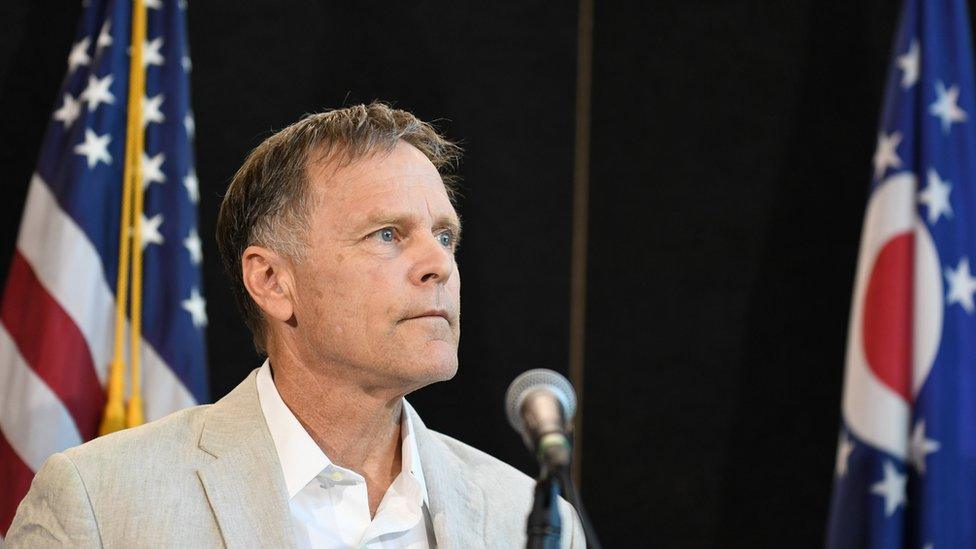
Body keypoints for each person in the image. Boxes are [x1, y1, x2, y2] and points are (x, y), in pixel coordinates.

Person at [6, 103, 584, 548]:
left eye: (445, 235)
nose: (439, 265)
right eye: (388, 234)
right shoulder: (102, 503)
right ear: (273, 282)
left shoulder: (528, 517)